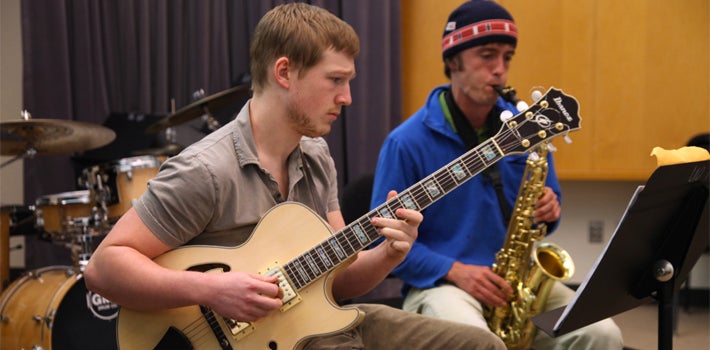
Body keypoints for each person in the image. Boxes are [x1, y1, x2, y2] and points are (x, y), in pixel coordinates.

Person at [84, 3, 506, 349]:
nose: (347, 97)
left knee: (483, 346)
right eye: (335, 80)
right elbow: (103, 268)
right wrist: (210, 291)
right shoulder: (206, 170)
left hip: (322, 324)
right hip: (262, 340)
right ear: (284, 73)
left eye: (349, 81)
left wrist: (389, 255)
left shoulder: (317, 156)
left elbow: (339, 280)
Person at [370, 1, 624, 349]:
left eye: (507, 57)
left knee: (603, 333)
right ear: (453, 60)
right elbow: (379, 241)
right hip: (442, 286)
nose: (500, 70)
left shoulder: (526, 126)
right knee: (479, 342)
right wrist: (454, 270)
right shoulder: (405, 142)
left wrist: (550, 209)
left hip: (517, 285)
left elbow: (549, 203)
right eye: (487, 56)